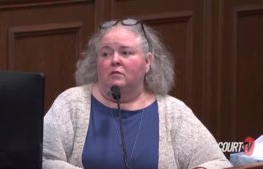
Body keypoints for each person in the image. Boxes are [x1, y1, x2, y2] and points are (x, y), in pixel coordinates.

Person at [42, 18, 232, 169]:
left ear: (148, 62)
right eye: (106, 54)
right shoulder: (70, 103)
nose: (114, 60)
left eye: (126, 53)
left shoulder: (173, 112)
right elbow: (42, 160)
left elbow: (219, 163)